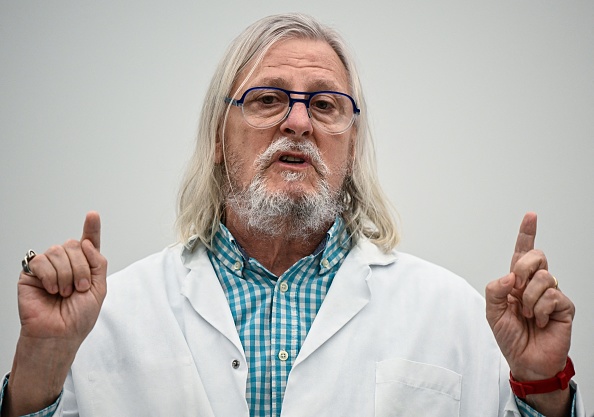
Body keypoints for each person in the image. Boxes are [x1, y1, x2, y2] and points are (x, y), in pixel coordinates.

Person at [0, 13, 585, 417]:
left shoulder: (452, 312)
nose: (299, 123)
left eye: (325, 104)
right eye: (268, 99)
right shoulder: (107, 317)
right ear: (218, 139)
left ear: (351, 149)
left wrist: (542, 387)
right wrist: (42, 364)